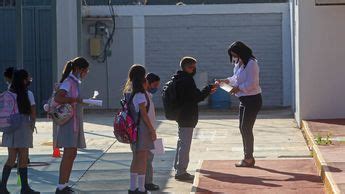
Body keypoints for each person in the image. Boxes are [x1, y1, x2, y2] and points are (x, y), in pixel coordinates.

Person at [216, 41, 262, 167]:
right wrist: (225, 81)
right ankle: (247, 156)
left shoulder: (252, 64)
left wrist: (237, 89)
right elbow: (236, 78)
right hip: (243, 99)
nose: (234, 57)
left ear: (242, 52)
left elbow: (252, 83)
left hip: (252, 99)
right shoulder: (239, 63)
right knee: (242, 128)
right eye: (232, 55)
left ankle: (249, 158)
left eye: (236, 54)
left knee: (246, 128)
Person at [173, 56, 216, 181]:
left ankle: (178, 168)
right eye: (191, 67)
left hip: (181, 115)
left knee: (181, 142)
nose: (193, 69)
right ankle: (181, 171)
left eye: (194, 67)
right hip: (187, 116)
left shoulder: (178, 78)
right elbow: (196, 97)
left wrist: (206, 91)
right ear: (185, 67)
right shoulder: (187, 80)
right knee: (185, 145)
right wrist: (208, 89)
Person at [54, 57, 90, 194]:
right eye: (85, 71)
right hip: (69, 123)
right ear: (78, 69)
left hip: (74, 122)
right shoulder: (69, 82)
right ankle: (60, 186)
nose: (86, 73)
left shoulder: (75, 82)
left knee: (72, 154)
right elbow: (59, 97)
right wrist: (75, 99)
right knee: (68, 154)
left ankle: (64, 184)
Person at [0, 69, 39, 194]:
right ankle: (25, 188)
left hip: (10, 127)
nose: (29, 80)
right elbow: (33, 112)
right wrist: (32, 126)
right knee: (23, 157)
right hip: (23, 126)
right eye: (28, 78)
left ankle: (3, 187)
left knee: (11, 158)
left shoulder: (8, 93)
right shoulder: (28, 94)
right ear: (24, 80)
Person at [123, 65, 157, 194]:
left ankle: (133, 187)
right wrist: (152, 130)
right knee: (142, 159)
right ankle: (141, 188)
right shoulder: (140, 94)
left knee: (136, 158)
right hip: (142, 130)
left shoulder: (130, 93)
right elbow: (144, 114)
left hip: (133, 130)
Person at [143, 73, 160, 191]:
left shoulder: (147, 96)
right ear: (147, 82)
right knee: (147, 158)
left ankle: (145, 182)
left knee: (149, 157)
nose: (156, 87)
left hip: (150, 130)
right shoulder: (143, 97)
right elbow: (145, 116)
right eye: (154, 85)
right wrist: (151, 130)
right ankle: (147, 182)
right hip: (147, 132)